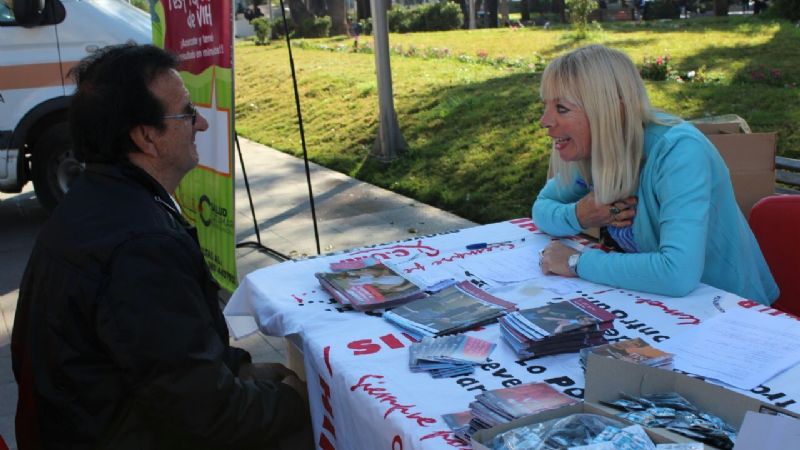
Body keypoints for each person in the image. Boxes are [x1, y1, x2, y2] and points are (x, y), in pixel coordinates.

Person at [11, 44, 312, 450]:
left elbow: (164, 361)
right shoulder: (141, 247)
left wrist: (238, 370)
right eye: (187, 113)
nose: (201, 123)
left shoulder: (97, 202)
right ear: (147, 136)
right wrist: (297, 399)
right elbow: (206, 416)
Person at [533, 45, 778, 305]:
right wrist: (580, 215)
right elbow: (542, 209)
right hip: (657, 305)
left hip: (729, 311)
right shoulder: (592, 147)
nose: (544, 120)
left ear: (611, 111)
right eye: (546, 106)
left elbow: (676, 273)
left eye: (561, 108)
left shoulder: (679, 151)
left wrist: (575, 261)